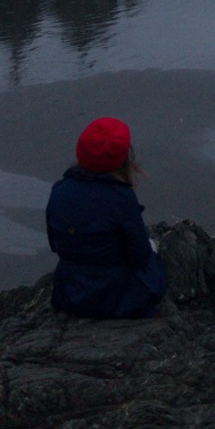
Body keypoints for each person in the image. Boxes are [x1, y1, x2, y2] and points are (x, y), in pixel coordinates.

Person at [46, 117, 167, 319]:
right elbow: (139, 258)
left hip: (69, 293)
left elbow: (55, 244)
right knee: (153, 256)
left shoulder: (59, 191)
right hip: (115, 298)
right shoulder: (122, 198)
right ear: (122, 159)